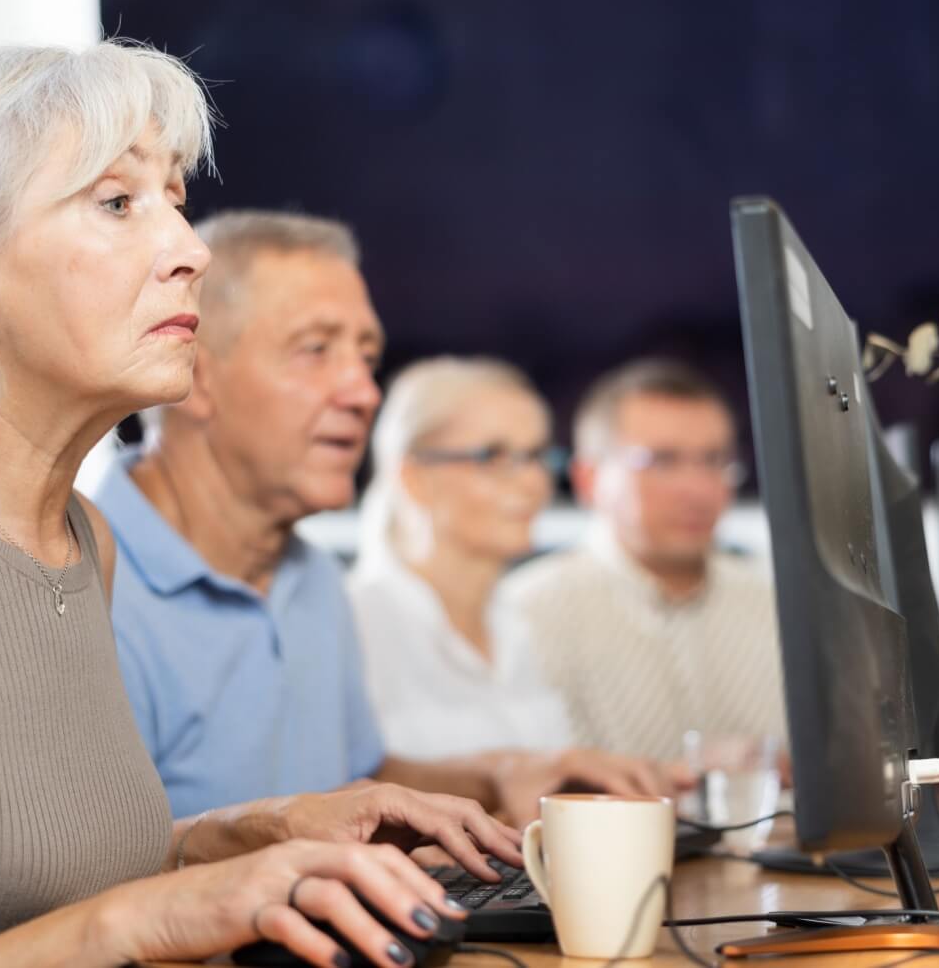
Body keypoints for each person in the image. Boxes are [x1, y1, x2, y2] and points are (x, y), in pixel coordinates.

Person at [0, 43, 522, 968]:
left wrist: (266, 827)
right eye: (118, 204)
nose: (191, 252)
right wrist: (137, 920)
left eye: (175, 201)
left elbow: (50, 875)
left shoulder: (84, 541)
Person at [98, 211, 672, 824]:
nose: (364, 391)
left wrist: (502, 774)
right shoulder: (86, 585)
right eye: (315, 350)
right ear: (196, 375)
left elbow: (354, 784)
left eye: (366, 356)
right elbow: (81, 875)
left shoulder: (312, 578)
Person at [351, 356, 674, 806]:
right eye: (495, 456)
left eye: (537, 455)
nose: (535, 482)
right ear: (413, 478)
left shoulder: (523, 620)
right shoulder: (352, 626)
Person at [503, 358, 789, 761]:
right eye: (662, 461)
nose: (697, 488)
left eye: (714, 461)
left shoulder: (777, 607)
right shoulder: (526, 613)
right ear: (589, 479)